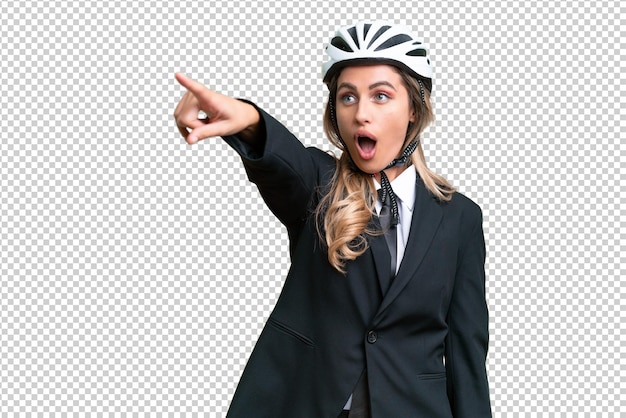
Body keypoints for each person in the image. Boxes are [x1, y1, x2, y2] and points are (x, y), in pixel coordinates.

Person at [174, 20, 491, 418]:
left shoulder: (460, 218)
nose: (361, 114)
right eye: (347, 97)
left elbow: (467, 350)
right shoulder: (319, 185)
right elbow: (283, 161)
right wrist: (250, 121)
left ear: (414, 107)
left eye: (380, 96)